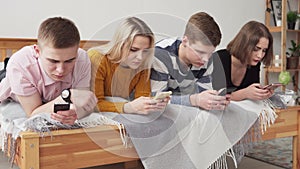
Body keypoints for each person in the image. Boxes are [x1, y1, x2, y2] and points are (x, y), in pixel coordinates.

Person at [0, 17, 97, 125]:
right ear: (37, 51)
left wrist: (74, 113)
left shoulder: (82, 59)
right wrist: (67, 96)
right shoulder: (20, 64)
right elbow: (33, 113)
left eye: (69, 61)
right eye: (53, 61)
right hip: (11, 88)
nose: (61, 70)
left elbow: (81, 103)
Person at [88, 17, 169, 114]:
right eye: (134, 50)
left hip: (119, 111)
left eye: (145, 51)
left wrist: (153, 103)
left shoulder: (144, 63)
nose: (140, 57)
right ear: (120, 45)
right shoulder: (96, 58)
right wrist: (127, 107)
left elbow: (141, 97)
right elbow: (94, 104)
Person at [151, 12, 228, 110]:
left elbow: (203, 95)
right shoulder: (161, 55)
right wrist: (194, 100)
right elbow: (156, 100)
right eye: (200, 52)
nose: (205, 59)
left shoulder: (207, 59)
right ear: (185, 41)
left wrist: (214, 100)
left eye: (210, 53)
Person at [212, 21, 274, 101]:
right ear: (244, 44)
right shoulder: (218, 59)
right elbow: (216, 98)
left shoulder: (254, 63)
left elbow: (250, 99)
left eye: (264, 50)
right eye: (256, 49)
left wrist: (260, 94)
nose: (260, 55)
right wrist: (245, 93)